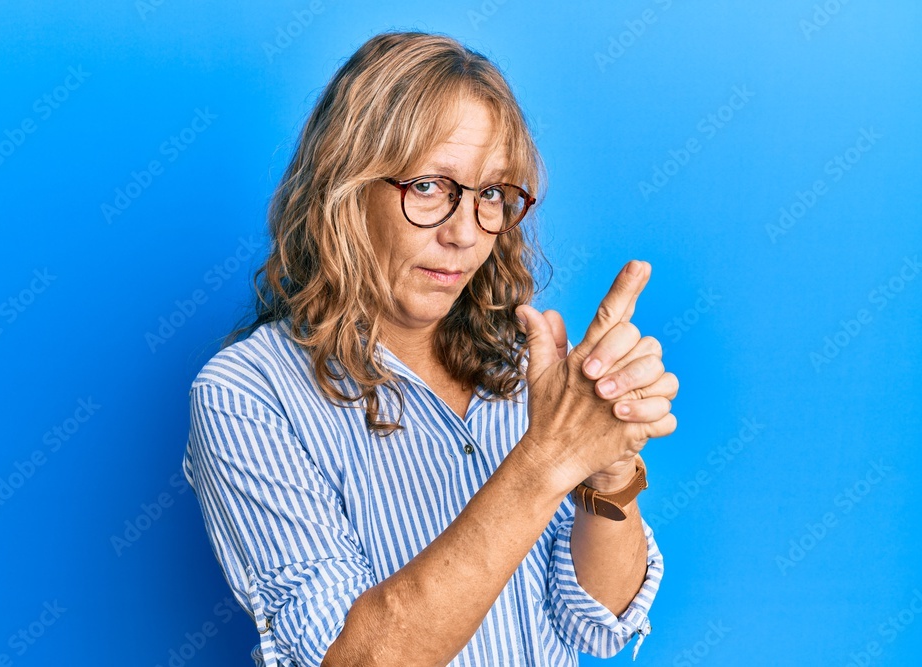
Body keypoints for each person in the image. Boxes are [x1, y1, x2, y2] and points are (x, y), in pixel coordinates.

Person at [183, 31, 678, 667]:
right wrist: (550, 457)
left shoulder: (525, 371)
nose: (466, 233)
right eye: (428, 185)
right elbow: (352, 661)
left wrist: (607, 473)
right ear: (344, 189)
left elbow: (598, 623)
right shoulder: (247, 396)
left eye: (492, 194)